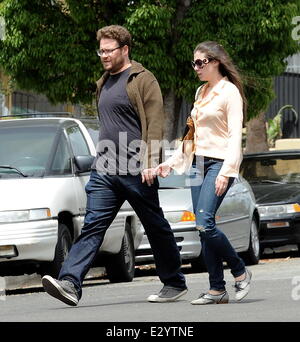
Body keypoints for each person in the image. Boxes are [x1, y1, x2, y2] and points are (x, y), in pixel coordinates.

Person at [42, 25, 187, 306]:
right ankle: (70, 282)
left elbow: (155, 123)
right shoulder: (104, 82)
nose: (104, 56)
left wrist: (150, 162)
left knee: (155, 225)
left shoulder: (143, 80)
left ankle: (174, 282)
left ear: (125, 50)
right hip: (105, 169)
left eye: (109, 50)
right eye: (101, 51)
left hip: (136, 169)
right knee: (93, 225)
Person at [155, 41, 252, 305]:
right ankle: (217, 290)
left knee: (205, 222)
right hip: (197, 164)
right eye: (194, 63)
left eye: (201, 62)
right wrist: (171, 163)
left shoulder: (228, 92)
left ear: (216, 62)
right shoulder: (201, 92)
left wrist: (227, 170)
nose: (196, 67)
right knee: (202, 228)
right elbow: (190, 134)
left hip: (219, 163)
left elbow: (235, 136)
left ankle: (240, 270)